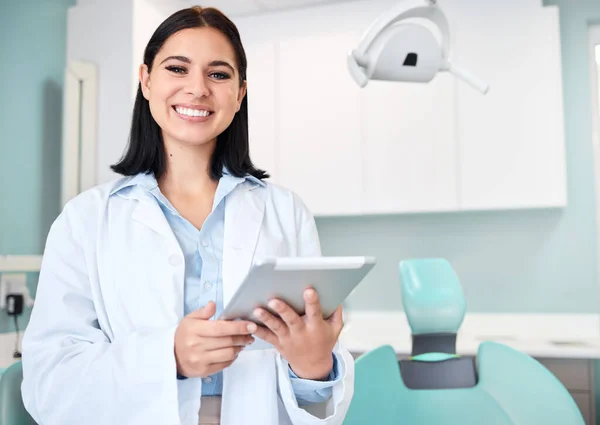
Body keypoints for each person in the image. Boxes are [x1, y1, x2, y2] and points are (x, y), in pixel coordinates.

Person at [20, 5, 355, 425]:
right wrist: (168, 358)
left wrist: (314, 367)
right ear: (146, 80)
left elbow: (317, 394)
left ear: (240, 93)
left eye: (218, 74)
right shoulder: (85, 220)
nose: (197, 89)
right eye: (177, 69)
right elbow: (47, 383)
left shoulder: (285, 212)